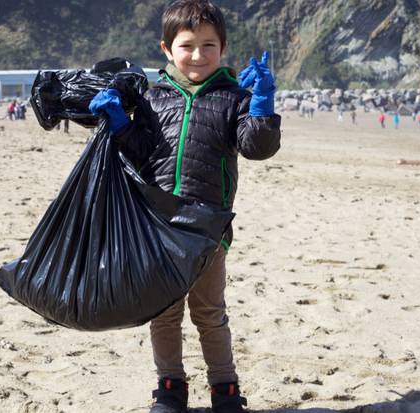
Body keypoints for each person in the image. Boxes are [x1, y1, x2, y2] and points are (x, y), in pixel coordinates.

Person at [89, 2, 281, 411]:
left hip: (209, 232)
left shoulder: (234, 98)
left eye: (209, 45)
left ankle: (225, 388)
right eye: (187, 45)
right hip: (159, 229)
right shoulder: (153, 99)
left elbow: (256, 148)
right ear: (166, 48)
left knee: (210, 313)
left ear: (223, 48)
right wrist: (121, 125)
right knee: (164, 314)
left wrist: (262, 105)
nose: (198, 55)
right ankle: (170, 387)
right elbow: (143, 154)